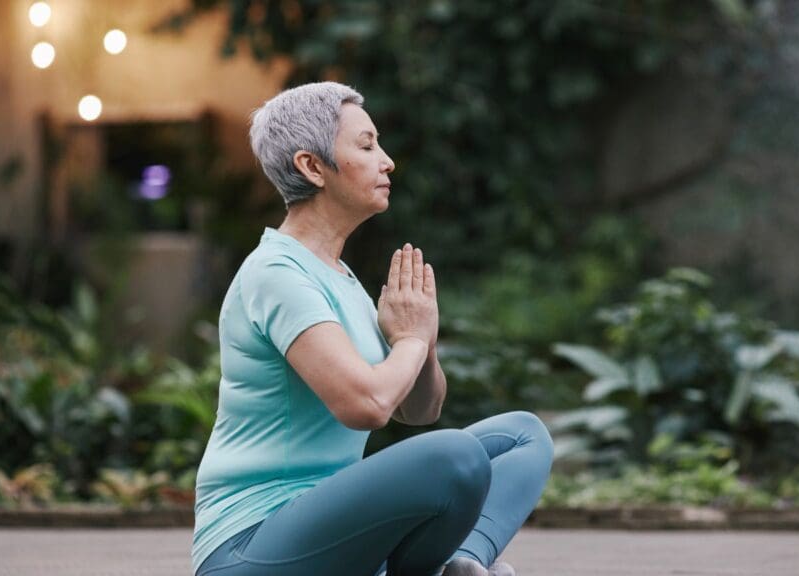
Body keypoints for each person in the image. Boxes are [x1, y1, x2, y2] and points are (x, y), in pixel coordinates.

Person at [191, 82, 554, 576]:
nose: (387, 161)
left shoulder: (340, 276)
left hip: (331, 535)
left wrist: (422, 339)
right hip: (252, 545)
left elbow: (419, 409)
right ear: (312, 166)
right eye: (366, 146)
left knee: (523, 436)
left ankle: (463, 564)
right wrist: (409, 338)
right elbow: (365, 405)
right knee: (456, 457)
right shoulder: (276, 274)